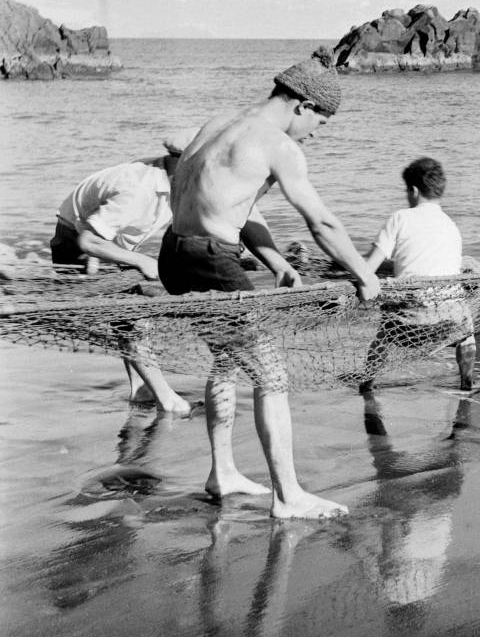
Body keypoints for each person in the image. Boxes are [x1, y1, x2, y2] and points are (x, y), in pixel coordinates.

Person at [158, 47, 381, 520]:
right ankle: (288, 495)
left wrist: (274, 259)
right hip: (211, 262)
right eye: (320, 123)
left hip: (173, 255)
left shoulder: (220, 123)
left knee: (227, 359)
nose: (315, 134)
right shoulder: (278, 145)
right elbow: (321, 223)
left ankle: (223, 473)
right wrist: (364, 274)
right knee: (271, 373)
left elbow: (232, 203)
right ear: (303, 105)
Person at [50, 134, 196, 415]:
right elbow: (88, 240)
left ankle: (141, 390)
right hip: (76, 243)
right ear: (184, 163)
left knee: (130, 317)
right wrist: (140, 261)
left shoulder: (167, 177)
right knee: (131, 319)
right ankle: (166, 400)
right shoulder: (140, 189)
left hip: (102, 238)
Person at [360, 157, 476, 392]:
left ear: (413, 191)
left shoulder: (400, 218)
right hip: (448, 325)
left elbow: (367, 268)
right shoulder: (451, 226)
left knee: (382, 336)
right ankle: (467, 382)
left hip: (407, 326)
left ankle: (366, 384)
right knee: (468, 332)